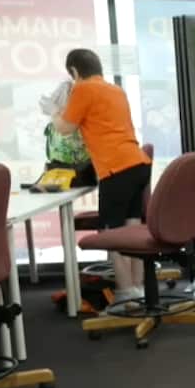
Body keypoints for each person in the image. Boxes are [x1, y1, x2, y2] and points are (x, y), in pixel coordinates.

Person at [53, 49, 152, 305]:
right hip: (138, 163)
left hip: (115, 168)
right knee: (132, 231)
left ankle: (125, 294)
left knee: (114, 233)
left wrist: (54, 111)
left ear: (75, 71)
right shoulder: (115, 90)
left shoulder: (83, 89)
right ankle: (138, 288)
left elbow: (64, 128)